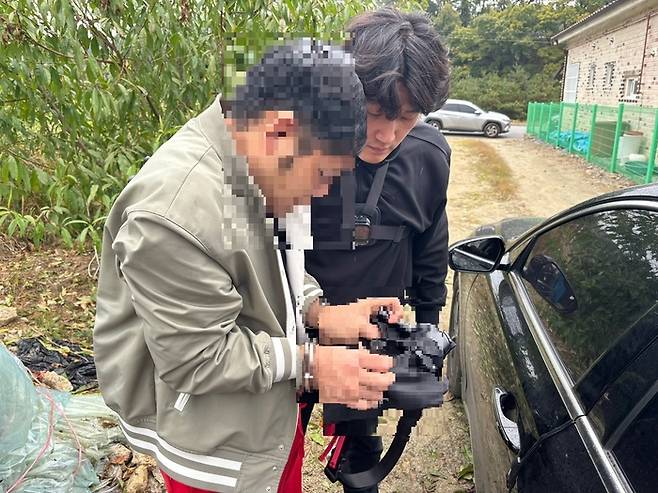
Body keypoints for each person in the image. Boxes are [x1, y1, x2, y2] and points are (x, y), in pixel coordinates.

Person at [93, 39, 403, 493]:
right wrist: (314, 365)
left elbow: (270, 265)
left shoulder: (253, 162)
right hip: (215, 449)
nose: (321, 194)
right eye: (322, 176)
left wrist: (320, 312)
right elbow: (197, 359)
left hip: (269, 413)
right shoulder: (175, 212)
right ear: (279, 132)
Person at [304, 8, 451, 492]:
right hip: (295, 323)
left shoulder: (428, 158)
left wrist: (429, 327)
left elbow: (431, 249)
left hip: (371, 333)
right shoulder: (299, 145)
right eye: (373, 114)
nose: (387, 134)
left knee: (359, 456)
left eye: (406, 118)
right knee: (271, 440)